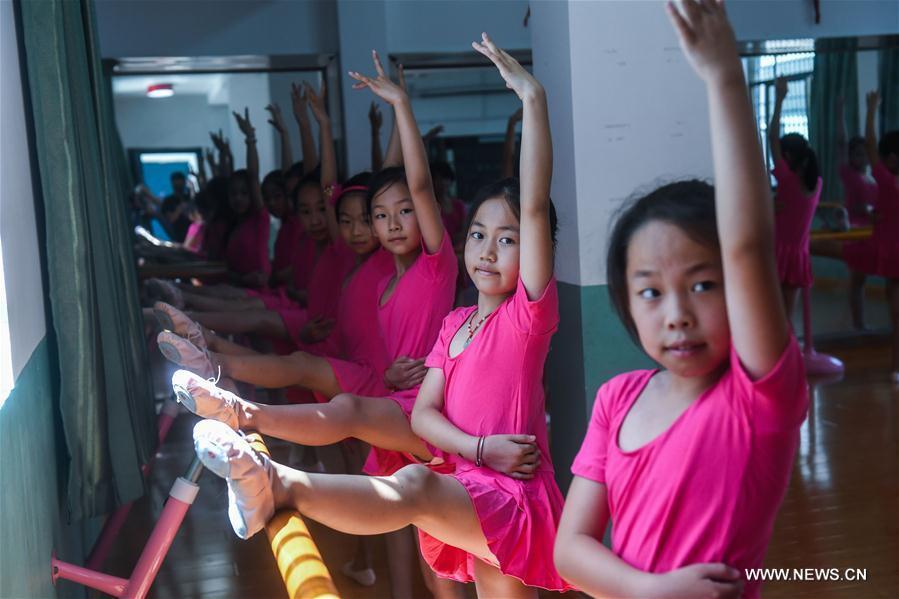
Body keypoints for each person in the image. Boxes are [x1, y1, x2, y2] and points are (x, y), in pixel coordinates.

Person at [181, 38, 570, 597]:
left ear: (532, 249)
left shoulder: (526, 319)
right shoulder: (456, 323)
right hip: (471, 474)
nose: (487, 250)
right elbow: (425, 419)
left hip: (510, 495)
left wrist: (533, 100)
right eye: (479, 235)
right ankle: (252, 431)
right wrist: (480, 449)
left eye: (507, 241)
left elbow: (532, 205)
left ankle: (279, 484)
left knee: (412, 486)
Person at [554, 3, 808, 598]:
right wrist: (647, 590)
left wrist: (723, 76)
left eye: (702, 284)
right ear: (626, 301)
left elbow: (746, 245)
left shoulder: (759, 395)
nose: (677, 314)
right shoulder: (616, 400)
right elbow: (571, 548)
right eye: (650, 291)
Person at [769, 76, 822, 318]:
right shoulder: (817, 184)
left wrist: (780, 99)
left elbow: (771, 138)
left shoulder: (788, 182)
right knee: (787, 316)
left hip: (778, 253)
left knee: (773, 314)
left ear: (788, 156)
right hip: (798, 255)